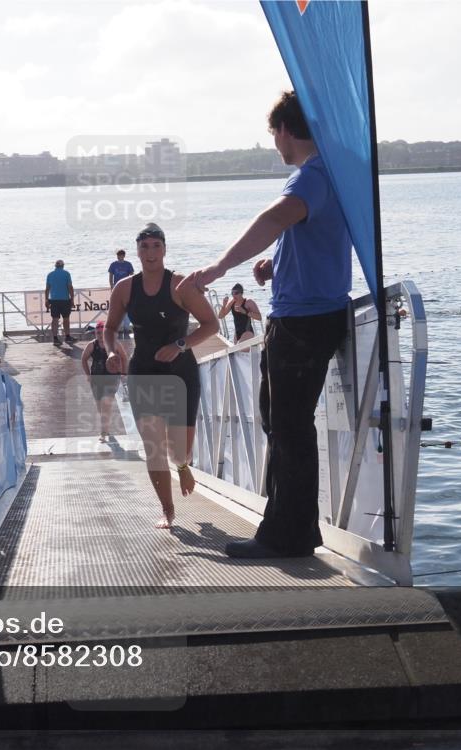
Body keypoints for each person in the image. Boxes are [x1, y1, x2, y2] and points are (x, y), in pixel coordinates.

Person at [178, 91, 351, 559]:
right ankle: (293, 528)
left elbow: (274, 218)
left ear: (285, 129)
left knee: (289, 427)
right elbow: (315, 236)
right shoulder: (332, 175)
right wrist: (277, 266)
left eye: (274, 133)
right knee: (281, 421)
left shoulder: (311, 177)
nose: (274, 143)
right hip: (312, 312)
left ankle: (285, 535)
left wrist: (217, 268)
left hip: (303, 320)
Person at [104, 222, 220, 529]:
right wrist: (113, 351)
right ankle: (167, 510)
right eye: (145, 247)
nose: (151, 252)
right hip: (143, 371)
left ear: (165, 250)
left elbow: (211, 325)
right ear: (137, 252)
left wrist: (180, 345)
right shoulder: (125, 288)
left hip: (180, 372)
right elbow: (110, 328)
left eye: (156, 246)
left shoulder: (180, 285)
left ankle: (182, 464)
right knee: (154, 447)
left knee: (179, 447)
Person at [81, 321, 127, 442]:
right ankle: (106, 427)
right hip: (96, 378)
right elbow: (83, 359)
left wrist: (123, 373)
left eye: (102, 333)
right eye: (97, 333)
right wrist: (87, 375)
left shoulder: (114, 344)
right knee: (100, 406)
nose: (100, 336)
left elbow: (124, 356)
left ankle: (103, 432)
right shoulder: (92, 345)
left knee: (106, 403)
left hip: (112, 378)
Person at [45, 259, 75, 345]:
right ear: (63, 266)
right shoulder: (66, 274)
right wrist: (72, 299)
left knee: (55, 319)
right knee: (66, 319)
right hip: (65, 300)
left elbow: (47, 289)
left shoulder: (50, 275)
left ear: (55, 266)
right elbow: (70, 287)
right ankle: (67, 337)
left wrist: (46, 300)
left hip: (54, 300)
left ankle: (55, 338)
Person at [108, 249, 135, 338]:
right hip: (116, 288)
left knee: (127, 308)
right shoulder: (113, 264)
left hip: (127, 288)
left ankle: (127, 327)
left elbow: (132, 275)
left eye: (122, 255)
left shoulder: (128, 264)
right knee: (117, 308)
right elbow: (111, 275)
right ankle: (119, 327)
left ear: (124, 255)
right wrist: (111, 285)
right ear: (117, 256)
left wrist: (131, 286)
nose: (121, 256)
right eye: (119, 255)